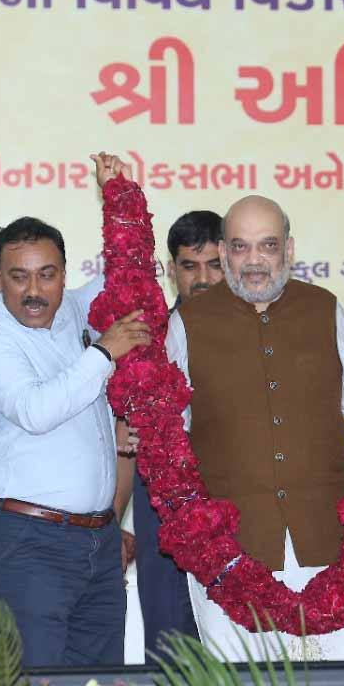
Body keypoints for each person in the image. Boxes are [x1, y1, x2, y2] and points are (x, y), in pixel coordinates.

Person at [165, 192, 344, 662]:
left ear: (289, 249)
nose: (254, 261)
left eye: (267, 246)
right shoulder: (187, 323)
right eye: (240, 247)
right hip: (232, 551)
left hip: (327, 538)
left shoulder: (323, 308)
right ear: (223, 252)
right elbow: (169, 438)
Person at [0, 199, 149, 666]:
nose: (33, 291)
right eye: (19, 277)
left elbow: (130, 268)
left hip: (99, 544)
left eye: (47, 275)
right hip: (27, 545)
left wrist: (118, 194)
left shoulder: (74, 311)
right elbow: (36, 410)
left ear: (64, 276)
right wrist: (103, 353)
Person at [132, 209, 222, 654]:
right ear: (171, 271)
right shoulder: (144, 342)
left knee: (237, 648)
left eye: (214, 265)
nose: (202, 279)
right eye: (190, 266)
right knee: (170, 645)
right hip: (162, 507)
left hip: (238, 507)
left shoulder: (263, 339)